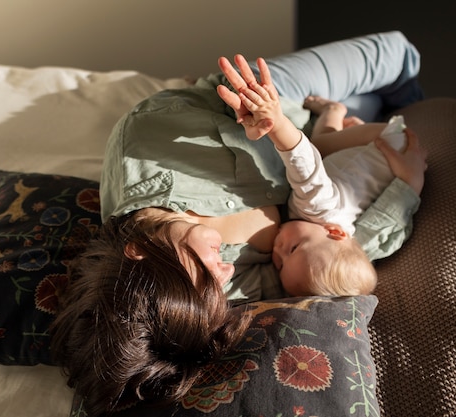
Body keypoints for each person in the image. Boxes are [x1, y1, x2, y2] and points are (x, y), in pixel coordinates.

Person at [51, 31, 427, 416]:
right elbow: (338, 257)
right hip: (328, 160)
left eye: (204, 273)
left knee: (395, 55)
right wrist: (407, 185)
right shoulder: (206, 297)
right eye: (218, 287)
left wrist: (271, 116)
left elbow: (254, 110)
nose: (227, 273)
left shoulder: (148, 138)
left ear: (139, 252)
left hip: (280, 102)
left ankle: (403, 97)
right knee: (376, 105)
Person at [254, 93, 427, 297]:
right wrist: (278, 125)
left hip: (395, 162)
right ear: (335, 232)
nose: (277, 251)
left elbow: (392, 229)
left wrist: (411, 181)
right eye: (292, 249)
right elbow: (304, 165)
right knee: (316, 145)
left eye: (280, 266)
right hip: (390, 141)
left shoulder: (344, 247)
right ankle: (333, 110)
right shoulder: (318, 206)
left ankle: (352, 138)